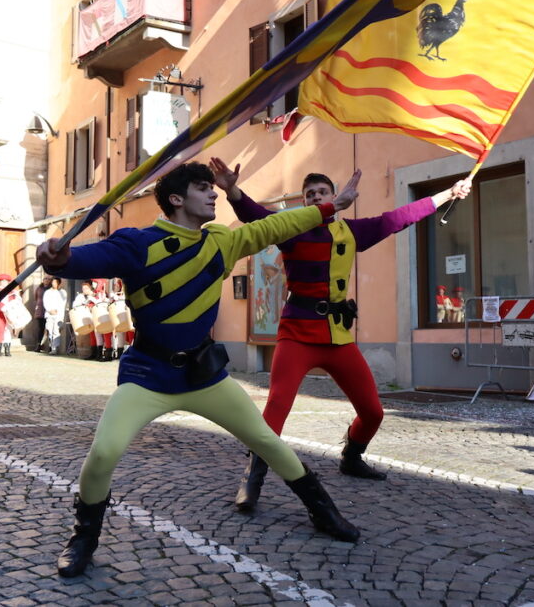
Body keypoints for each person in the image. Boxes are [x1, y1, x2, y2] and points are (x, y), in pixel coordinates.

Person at [35, 161, 363, 578]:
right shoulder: (137, 243)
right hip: (149, 376)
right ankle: (83, 538)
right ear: (176, 199)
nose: (214, 195)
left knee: (268, 440)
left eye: (213, 188)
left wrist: (331, 207)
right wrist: (58, 258)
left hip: (204, 375)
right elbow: (80, 259)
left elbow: (277, 227)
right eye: (203, 188)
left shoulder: (220, 242)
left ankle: (323, 513)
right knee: (104, 452)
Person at [210, 157, 472, 512]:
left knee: (374, 412)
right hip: (296, 335)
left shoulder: (352, 231)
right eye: (310, 195)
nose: (316, 198)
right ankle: (251, 479)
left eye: (322, 192)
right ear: (304, 203)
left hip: (338, 338)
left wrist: (448, 194)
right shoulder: (291, 228)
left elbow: (399, 218)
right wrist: (231, 190)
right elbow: (256, 216)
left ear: (334, 196)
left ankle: (351, 457)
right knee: (276, 409)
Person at [109, 278, 134, 359]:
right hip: (119, 315)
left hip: (128, 314)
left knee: (131, 333)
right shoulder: (116, 294)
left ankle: (132, 354)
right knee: (120, 333)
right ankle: (119, 354)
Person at [42, 276, 68, 355]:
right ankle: (51, 346)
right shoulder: (47, 292)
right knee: (50, 330)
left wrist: (57, 310)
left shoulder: (63, 292)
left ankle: (55, 348)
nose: (54, 284)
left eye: (56, 282)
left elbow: (62, 303)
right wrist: (50, 310)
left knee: (56, 331)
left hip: (58, 314)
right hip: (49, 314)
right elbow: (45, 302)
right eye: (53, 282)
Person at [32, 276, 52, 352]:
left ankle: (51, 346)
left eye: (48, 279)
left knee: (50, 329)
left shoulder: (50, 289)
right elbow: (36, 298)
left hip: (48, 310)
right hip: (40, 310)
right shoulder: (39, 288)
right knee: (40, 329)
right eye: (45, 279)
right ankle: (38, 345)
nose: (46, 280)